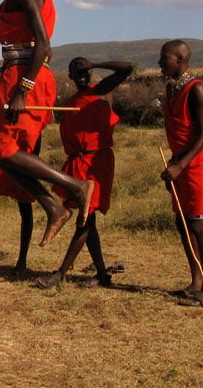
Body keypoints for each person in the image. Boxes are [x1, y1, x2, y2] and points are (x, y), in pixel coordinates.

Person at [0, 0, 93, 247]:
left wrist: (22, 90)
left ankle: (76, 187)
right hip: (18, 73)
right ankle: (53, 206)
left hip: (25, 76)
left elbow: (43, 44)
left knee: (1, 149)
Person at [37, 58, 133, 288]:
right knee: (88, 222)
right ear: (70, 77)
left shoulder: (101, 91)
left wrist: (95, 63)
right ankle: (102, 275)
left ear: (90, 73)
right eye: (76, 74)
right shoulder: (70, 102)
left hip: (97, 162)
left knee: (85, 219)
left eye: (85, 73)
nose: (81, 77)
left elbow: (126, 68)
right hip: (78, 161)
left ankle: (61, 274)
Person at [158, 40, 203, 307]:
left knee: (199, 224)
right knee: (182, 223)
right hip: (180, 162)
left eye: (165, 58)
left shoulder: (196, 90)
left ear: (180, 59)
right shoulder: (172, 87)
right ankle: (196, 282)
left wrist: (180, 166)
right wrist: (174, 164)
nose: (160, 62)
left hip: (197, 165)